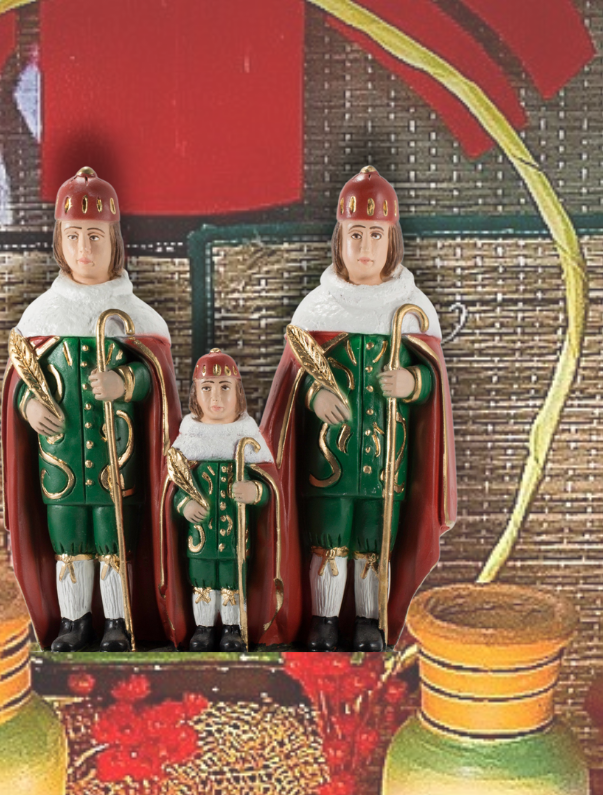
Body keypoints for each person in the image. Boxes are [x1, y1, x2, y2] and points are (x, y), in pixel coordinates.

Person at [261, 165, 456, 651]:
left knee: (374, 546)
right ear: (339, 240)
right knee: (329, 543)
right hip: (328, 463)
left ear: (392, 241)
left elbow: (432, 382)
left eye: (375, 234)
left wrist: (413, 381)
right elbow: (293, 380)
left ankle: (370, 620)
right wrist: (316, 394)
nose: (365, 246)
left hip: (387, 461)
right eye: (355, 234)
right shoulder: (317, 310)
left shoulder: (413, 310)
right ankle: (324, 621)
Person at [1, 167, 183, 651]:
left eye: (95, 236)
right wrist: (29, 407)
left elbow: (158, 382)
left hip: (116, 462)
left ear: (114, 241)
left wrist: (126, 381)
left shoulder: (138, 318)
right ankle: (74, 622)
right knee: (69, 546)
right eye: (73, 235)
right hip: (59, 462)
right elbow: (20, 382)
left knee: (113, 544)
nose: (84, 248)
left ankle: (118, 624)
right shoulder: (41, 317)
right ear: (59, 241)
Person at [166, 350, 279, 652]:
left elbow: (272, 489)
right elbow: (172, 489)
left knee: (232, 582)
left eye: (224, 387)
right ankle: (203, 628)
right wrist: (184, 505)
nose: (216, 397)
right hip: (200, 539)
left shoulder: (251, 441)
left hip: (235, 539)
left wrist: (256, 492)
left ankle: (232, 628)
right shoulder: (187, 442)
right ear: (195, 394)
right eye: (207, 387)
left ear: (238, 392)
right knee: (201, 581)